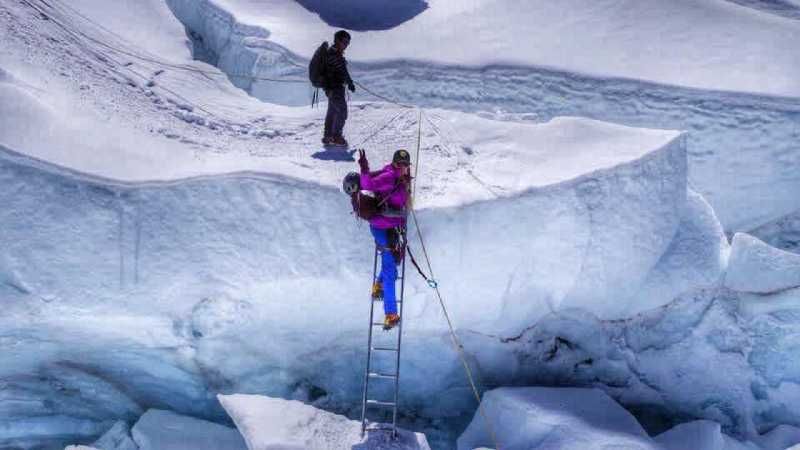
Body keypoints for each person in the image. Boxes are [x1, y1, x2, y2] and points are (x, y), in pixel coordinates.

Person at [358, 148, 412, 330]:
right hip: (383, 228)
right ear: (395, 163)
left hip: (392, 228)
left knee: (393, 263)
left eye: (405, 164)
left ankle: (378, 287)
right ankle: (391, 315)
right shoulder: (389, 176)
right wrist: (364, 170)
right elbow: (368, 186)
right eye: (400, 164)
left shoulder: (401, 178)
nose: (403, 167)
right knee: (390, 270)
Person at [323, 30, 356, 147]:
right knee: (342, 111)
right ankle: (336, 136)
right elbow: (342, 71)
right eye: (345, 42)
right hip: (335, 88)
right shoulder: (334, 55)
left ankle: (328, 136)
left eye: (348, 42)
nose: (346, 45)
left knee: (332, 112)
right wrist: (350, 83)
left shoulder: (331, 53)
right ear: (337, 40)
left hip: (331, 89)